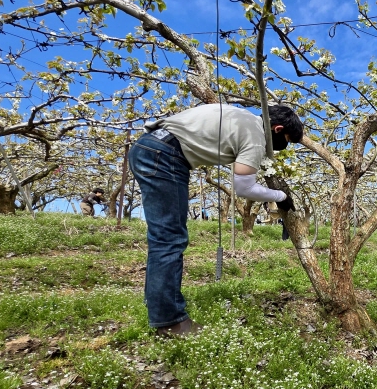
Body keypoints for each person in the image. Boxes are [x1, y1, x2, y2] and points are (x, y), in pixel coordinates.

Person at [129, 103, 303, 337]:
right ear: (278, 129)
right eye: (287, 140)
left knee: (163, 238)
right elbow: (244, 187)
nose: (283, 147)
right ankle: (169, 322)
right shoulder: (256, 135)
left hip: (149, 146)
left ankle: (158, 303)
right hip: (165, 156)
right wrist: (281, 196)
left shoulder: (241, 117)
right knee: (169, 239)